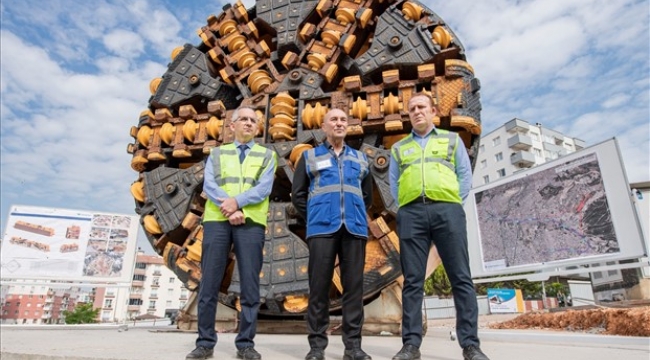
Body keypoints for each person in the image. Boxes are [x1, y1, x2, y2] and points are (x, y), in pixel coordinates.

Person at [388, 93, 490, 360]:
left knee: (461, 278)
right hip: (412, 213)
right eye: (412, 109)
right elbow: (394, 186)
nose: (417, 111)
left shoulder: (452, 140)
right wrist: (408, 208)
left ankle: (470, 345)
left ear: (433, 110)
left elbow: (464, 177)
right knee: (412, 281)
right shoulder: (399, 148)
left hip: (447, 211)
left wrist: (452, 202)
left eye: (421, 107)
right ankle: (410, 346)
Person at [186, 106, 277, 360]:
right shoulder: (216, 153)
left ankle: (245, 344)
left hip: (250, 221)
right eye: (244, 119)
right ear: (232, 126)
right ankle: (204, 343)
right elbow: (210, 184)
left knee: (250, 285)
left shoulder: (267, 155)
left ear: (257, 128)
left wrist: (236, 203)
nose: (248, 123)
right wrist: (229, 207)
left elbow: (263, 188)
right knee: (209, 283)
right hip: (218, 220)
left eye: (253, 120)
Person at [292, 108, 373, 360]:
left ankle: (353, 348)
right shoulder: (309, 157)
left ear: (346, 126)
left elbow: (367, 196)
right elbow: (298, 195)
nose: (339, 124)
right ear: (324, 127)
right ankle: (317, 347)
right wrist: (316, 216)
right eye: (333, 120)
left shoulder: (361, 159)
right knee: (319, 288)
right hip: (322, 230)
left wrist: (356, 214)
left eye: (342, 120)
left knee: (354, 290)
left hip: (353, 230)